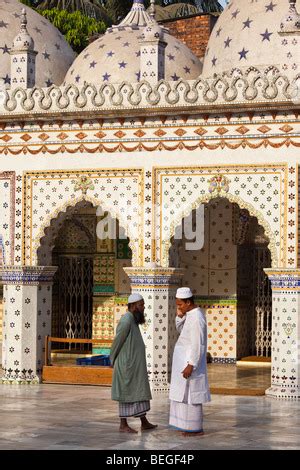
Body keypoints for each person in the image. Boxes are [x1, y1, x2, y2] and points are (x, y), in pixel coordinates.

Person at [110, 292, 157, 433]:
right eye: (141, 305)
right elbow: (117, 341)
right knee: (126, 394)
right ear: (133, 306)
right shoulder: (126, 320)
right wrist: (112, 359)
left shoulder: (133, 320)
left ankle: (144, 422)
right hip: (126, 366)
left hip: (134, 366)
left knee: (139, 392)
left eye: (143, 305)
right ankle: (123, 425)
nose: (143, 308)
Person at [169, 287, 211, 436]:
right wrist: (179, 315)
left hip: (190, 363)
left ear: (188, 302)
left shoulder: (197, 317)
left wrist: (191, 364)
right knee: (184, 395)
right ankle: (187, 427)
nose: (179, 307)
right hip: (184, 361)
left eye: (180, 305)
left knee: (192, 396)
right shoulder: (190, 315)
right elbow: (181, 330)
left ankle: (195, 428)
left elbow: (198, 344)